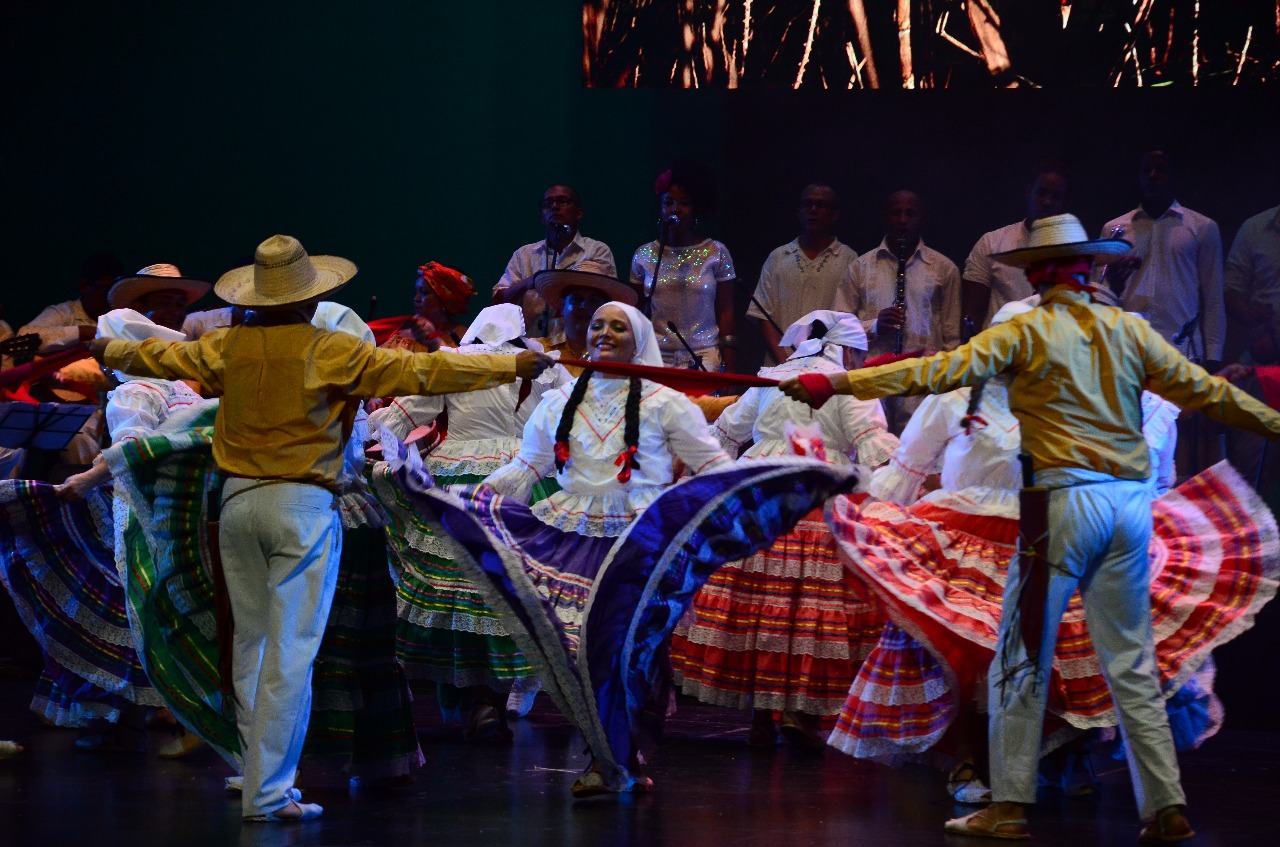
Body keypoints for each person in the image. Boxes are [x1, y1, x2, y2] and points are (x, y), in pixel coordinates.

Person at [780, 213, 1280, 843]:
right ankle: (1166, 806)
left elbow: (932, 372)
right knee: (1129, 661)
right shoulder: (1128, 331)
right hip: (1127, 508)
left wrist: (837, 381)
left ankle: (1009, 805)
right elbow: (1209, 393)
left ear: (1038, 276)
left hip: (1062, 505)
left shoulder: (1031, 332)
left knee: (1020, 657)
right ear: (1087, 270)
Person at [89, 233, 552, 823]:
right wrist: (513, 361)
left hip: (237, 508)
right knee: (289, 653)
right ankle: (267, 792)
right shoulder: (330, 350)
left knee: (252, 651)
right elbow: (426, 371)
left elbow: (151, 356)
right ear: (310, 298)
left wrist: (101, 345)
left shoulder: (229, 347)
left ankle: (261, 782)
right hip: (299, 506)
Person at [380, 302, 855, 797]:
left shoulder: (664, 403)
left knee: (633, 650)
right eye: (598, 325)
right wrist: (468, 500)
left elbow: (712, 463)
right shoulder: (560, 399)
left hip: (640, 540)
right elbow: (528, 467)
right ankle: (604, 756)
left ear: (639, 339)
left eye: (618, 326)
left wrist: (775, 485)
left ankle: (623, 754)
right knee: (579, 651)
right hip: (571, 532)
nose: (604, 333)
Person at [671, 310, 898, 750]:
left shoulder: (772, 379)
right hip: (817, 487)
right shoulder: (846, 386)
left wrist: (698, 478)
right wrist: (894, 491)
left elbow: (725, 431)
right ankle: (796, 709)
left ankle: (762, 712)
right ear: (847, 348)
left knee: (759, 601)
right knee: (806, 604)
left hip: (760, 488)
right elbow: (874, 445)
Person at [0, 310, 197, 753]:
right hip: (183, 511)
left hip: (145, 511)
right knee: (157, 609)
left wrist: (86, 480)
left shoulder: (134, 392)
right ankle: (133, 710)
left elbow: (133, 448)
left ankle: (137, 711)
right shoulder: (183, 389)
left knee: (127, 606)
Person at [368, 304, 569, 738]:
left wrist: (358, 429)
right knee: (519, 586)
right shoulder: (546, 367)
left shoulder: (456, 364)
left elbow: (400, 418)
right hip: (525, 477)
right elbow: (576, 416)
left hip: (461, 477)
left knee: (468, 588)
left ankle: (484, 696)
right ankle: (503, 692)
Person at [1099, 150, 1225, 481]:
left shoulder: (1201, 227)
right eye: (1147, 169)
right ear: (1138, 176)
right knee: (1131, 445)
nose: (1153, 175)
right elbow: (1099, 297)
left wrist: (1212, 361)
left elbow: (1213, 298)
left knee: (1180, 452)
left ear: (1174, 176)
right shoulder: (1115, 230)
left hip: (1181, 353)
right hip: (1129, 357)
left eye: (1161, 168)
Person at [844, 189, 961, 433]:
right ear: (886, 218)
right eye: (896, 213)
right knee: (873, 458)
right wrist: (875, 325)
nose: (903, 220)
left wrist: (950, 389)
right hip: (874, 382)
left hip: (923, 385)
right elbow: (839, 328)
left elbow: (952, 338)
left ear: (922, 219)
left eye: (911, 214)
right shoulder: (860, 267)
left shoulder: (944, 268)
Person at [630, 161, 738, 371]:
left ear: (696, 209)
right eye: (668, 202)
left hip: (702, 354)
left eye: (684, 203)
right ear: (660, 208)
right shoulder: (643, 255)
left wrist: (730, 362)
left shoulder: (716, 252)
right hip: (655, 354)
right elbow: (635, 310)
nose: (675, 209)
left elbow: (726, 310)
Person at [748, 184, 856, 365]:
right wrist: (786, 361)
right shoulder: (778, 257)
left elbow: (850, 321)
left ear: (834, 215)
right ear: (798, 212)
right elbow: (763, 315)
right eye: (807, 204)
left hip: (828, 369)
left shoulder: (849, 259)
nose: (813, 210)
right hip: (779, 368)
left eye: (821, 205)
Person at [492, 184, 617, 339]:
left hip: (581, 344)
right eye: (548, 204)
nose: (555, 207)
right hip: (532, 346)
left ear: (579, 213)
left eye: (563, 201)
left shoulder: (596, 250)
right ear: (541, 217)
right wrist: (528, 282)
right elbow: (497, 302)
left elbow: (607, 304)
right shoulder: (523, 254)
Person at [962, 162, 1071, 329]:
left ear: (1063, 202)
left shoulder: (1075, 253)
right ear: (1029, 192)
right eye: (1041, 193)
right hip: (999, 349)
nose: (1047, 202)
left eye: (1055, 197)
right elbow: (971, 315)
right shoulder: (992, 243)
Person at [1222, 202, 1280, 490]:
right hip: (1262, 365)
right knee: (1249, 471)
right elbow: (1231, 290)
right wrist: (1251, 315)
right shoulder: (1256, 228)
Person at [531, 263, 639, 376]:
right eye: (576, 300)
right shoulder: (537, 350)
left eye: (594, 300)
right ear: (562, 307)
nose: (585, 306)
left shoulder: (623, 358)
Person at [382, 262, 476, 353]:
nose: (416, 298)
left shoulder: (465, 338)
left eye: (424, 293)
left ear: (444, 300)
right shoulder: (400, 338)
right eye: (416, 292)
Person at [107, 264, 211, 332]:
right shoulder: (114, 355)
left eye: (180, 305)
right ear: (137, 308)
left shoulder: (185, 358)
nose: (176, 312)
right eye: (165, 303)